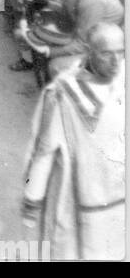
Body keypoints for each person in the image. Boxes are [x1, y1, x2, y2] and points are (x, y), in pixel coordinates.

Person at [22, 23, 125, 261]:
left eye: (120, 52)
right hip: (77, 198)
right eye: (106, 53)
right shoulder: (61, 94)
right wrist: (32, 200)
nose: (115, 61)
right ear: (89, 50)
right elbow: (43, 151)